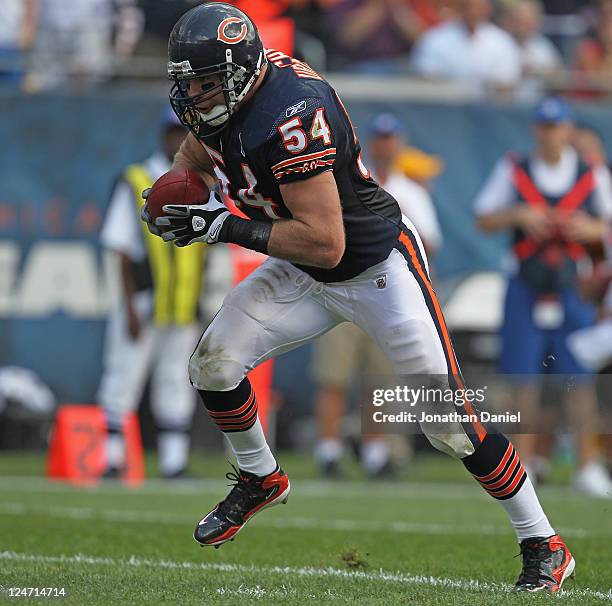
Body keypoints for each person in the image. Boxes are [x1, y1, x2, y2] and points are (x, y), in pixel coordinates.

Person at [142, 3, 575, 592]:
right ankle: (259, 477)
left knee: (450, 427)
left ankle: (543, 541)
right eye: (187, 82)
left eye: (206, 83)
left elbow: (326, 240)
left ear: (240, 74)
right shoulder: (228, 100)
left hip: (374, 268)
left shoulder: (290, 115)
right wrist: (181, 195)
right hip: (302, 268)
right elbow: (195, 155)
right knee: (213, 364)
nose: (194, 95)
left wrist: (221, 226)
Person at [474, 97, 612, 498]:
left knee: (580, 379)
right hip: (525, 285)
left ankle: (588, 465)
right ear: (536, 130)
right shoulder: (514, 168)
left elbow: (605, 224)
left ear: (569, 130)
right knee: (523, 379)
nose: (551, 135)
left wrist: (587, 228)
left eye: (558, 127)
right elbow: (484, 216)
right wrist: (519, 215)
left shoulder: (590, 173)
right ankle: (525, 464)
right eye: (545, 128)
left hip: (572, 286)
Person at [310, 113, 443, 478]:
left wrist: (403, 220)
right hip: (345, 285)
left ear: (398, 143)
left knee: (378, 378)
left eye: (391, 138)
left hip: (388, 295)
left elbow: (429, 245)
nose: (386, 146)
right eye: (380, 138)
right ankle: (329, 450)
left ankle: (372, 451)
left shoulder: (412, 190)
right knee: (333, 374)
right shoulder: (351, 181)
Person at [97, 108, 206, 479]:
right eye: (174, 132)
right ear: (162, 135)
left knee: (176, 381)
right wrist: (127, 306)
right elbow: (121, 249)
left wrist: (203, 303)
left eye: (185, 133)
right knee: (123, 377)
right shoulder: (137, 179)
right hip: (144, 300)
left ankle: (174, 462)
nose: (179, 140)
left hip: (183, 304)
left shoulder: (202, 182)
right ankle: (110, 459)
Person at [411, 0, 522, 98]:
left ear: (487, 9)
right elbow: (426, 77)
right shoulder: (435, 39)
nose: (473, 12)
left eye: (478, 7)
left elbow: (507, 82)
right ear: (459, 8)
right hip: (445, 109)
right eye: (468, 6)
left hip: (489, 112)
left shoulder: (501, 41)